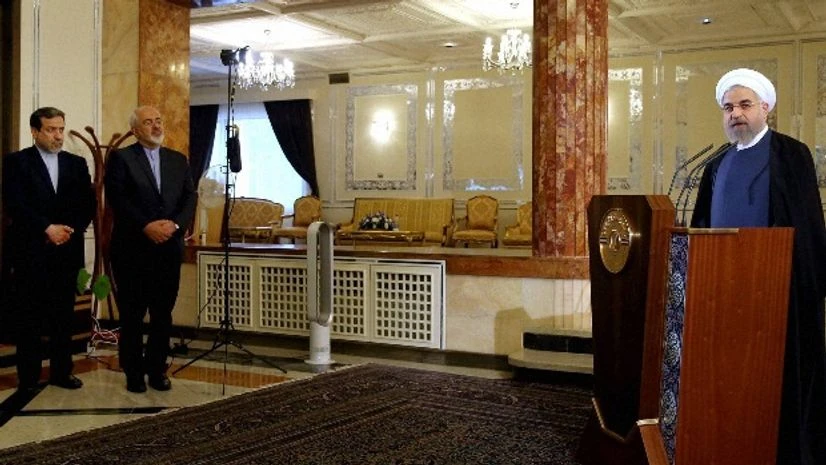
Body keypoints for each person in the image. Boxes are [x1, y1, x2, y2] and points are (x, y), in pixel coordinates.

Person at [691, 68, 826, 465]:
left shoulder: (791, 153)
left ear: (765, 108)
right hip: (722, 289)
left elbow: (806, 222)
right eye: (729, 107)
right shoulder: (716, 165)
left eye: (745, 105)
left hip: (777, 288)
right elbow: (701, 224)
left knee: (778, 377)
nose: (736, 114)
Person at [1, 107, 95, 391]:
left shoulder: (76, 164)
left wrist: (67, 230)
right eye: (51, 130)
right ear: (35, 131)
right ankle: (28, 378)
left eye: (61, 129)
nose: (58, 136)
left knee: (63, 317)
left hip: (66, 251)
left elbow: (87, 205)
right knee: (29, 317)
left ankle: (61, 372)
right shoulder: (17, 162)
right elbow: (15, 203)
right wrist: (46, 228)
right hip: (31, 251)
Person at [104, 105, 196, 393]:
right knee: (132, 315)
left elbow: (189, 198)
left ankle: (157, 370)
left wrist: (175, 226)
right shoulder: (121, 158)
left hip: (168, 249)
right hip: (132, 250)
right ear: (135, 130)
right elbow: (118, 199)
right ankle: (133, 372)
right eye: (148, 122)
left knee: (162, 314)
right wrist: (146, 226)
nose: (156, 126)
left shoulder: (178, 160)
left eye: (158, 120)